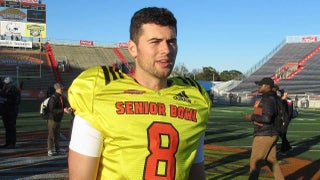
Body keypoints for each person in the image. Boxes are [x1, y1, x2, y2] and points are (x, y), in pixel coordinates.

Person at [68, 7, 211, 180]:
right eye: (155, 41)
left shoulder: (195, 98)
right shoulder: (99, 92)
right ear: (133, 48)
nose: (166, 50)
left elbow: (196, 173)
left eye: (171, 41)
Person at [244, 77, 284, 180]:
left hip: (265, 134)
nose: (258, 86)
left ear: (267, 86)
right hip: (272, 133)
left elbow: (267, 118)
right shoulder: (274, 98)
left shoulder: (267, 99)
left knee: (255, 162)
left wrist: (251, 117)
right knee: (271, 160)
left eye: (260, 85)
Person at [47, 83, 72, 156]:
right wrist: (63, 110)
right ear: (57, 89)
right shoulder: (53, 98)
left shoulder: (62, 97)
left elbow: (66, 105)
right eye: (61, 89)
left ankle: (57, 148)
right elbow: (51, 109)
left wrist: (68, 108)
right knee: (51, 134)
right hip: (53, 119)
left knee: (57, 134)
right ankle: (50, 149)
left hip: (58, 118)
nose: (62, 90)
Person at [0, 77, 21, 149]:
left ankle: (12, 143)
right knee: (7, 128)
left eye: (7, 84)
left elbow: (17, 101)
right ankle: (7, 142)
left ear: (11, 83)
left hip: (12, 111)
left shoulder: (15, 90)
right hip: (5, 112)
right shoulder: (4, 90)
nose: (6, 85)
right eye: (5, 83)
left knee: (11, 128)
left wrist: (6, 100)